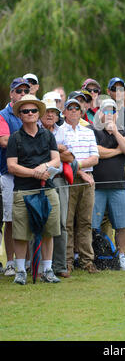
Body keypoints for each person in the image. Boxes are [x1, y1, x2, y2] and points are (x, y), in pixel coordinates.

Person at [6, 94, 61, 285]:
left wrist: (44, 168)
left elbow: (56, 160)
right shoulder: (15, 138)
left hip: (48, 189)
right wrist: (33, 173)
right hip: (23, 191)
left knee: (49, 230)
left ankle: (47, 270)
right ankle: (20, 271)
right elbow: (12, 166)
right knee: (21, 233)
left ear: (39, 113)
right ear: (20, 115)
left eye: (33, 110)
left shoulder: (48, 135)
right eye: (25, 111)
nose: (29, 114)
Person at [92, 98, 125, 270]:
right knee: (93, 224)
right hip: (97, 186)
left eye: (113, 111)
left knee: (124, 223)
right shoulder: (93, 130)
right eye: (106, 111)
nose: (109, 115)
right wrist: (118, 150)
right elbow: (96, 151)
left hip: (118, 186)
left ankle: (121, 256)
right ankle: (95, 256)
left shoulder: (124, 132)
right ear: (100, 113)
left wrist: (117, 134)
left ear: (117, 114)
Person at [56, 97, 99, 273]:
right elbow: (61, 156)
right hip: (68, 178)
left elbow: (95, 158)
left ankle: (87, 261)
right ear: (64, 112)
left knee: (85, 221)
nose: (73, 111)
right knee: (67, 222)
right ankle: (67, 262)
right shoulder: (59, 132)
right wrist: (79, 170)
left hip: (87, 179)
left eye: (77, 108)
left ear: (81, 112)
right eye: (70, 108)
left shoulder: (88, 131)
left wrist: (78, 166)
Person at [0, 77, 30, 277]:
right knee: (10, 220)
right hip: (9, 174)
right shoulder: (3, 115)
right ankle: (10, 262)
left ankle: (28, 262)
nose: (21, 94)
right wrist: (28, 141)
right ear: (11, 94)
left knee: (29, 218)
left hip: (31, 174)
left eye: (24, 91)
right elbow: (4, 141)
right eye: (18, 91)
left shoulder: (32, 111)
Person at [40, 98, 73, 278]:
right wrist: (59, 149)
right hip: (36, 180)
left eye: (53, 111)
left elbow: (70, 157)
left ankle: (60, 265)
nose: (50, 114)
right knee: (38, 222)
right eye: (47, 111)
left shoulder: (64, 131)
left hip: (59, 180)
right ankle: (37, 266)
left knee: (60, 223)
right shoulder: (34, 130)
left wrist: (53, 149)